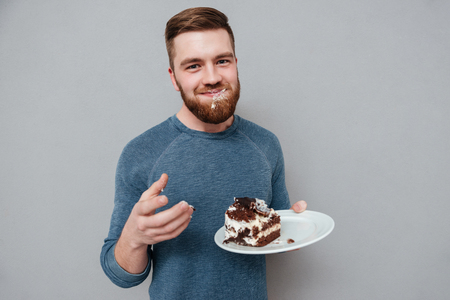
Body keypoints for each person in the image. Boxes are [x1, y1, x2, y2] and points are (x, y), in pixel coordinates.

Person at [100, 7, 307, 299]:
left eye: (222, 61)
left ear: (236, 64)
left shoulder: (265, 144)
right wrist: (134, 237)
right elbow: (121, 275)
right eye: (193, 66)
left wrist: (295, 228)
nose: (212, 77)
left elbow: (278, 235)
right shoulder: (141, 152)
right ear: (174, 78)